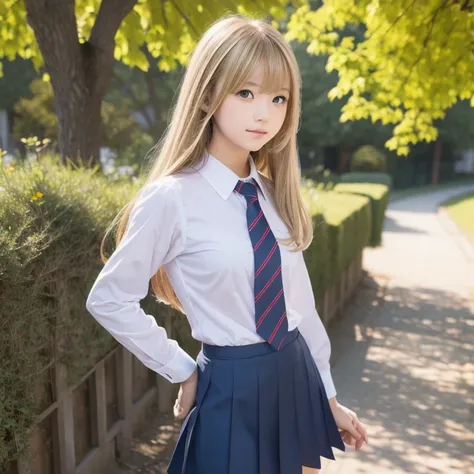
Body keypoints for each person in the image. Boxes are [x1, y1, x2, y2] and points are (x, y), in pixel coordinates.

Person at [86, 14, 368, 474]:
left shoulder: (274, 195)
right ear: (207, 93)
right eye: (246, 92)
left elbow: (301, 310)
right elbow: (109, 299)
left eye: (278, 98)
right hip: (232, 387)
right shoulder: (172, 199)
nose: (264, 113)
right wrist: (183, 369)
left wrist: (329, 398)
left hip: (295, 378)